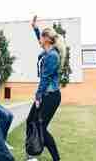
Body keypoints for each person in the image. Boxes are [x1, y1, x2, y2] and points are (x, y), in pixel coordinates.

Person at [26, 16, 66, 161]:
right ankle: (30, 155)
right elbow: (39, 40)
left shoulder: (52, 56)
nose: (40, 41)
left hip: (51, 96)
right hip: (46, 94)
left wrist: (38, 96)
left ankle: (56, 158)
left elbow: (45, 78)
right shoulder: (47, 51)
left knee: (41, 128)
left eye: (41, 37)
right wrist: (35, 28)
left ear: (47, 39)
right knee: (30, 120)